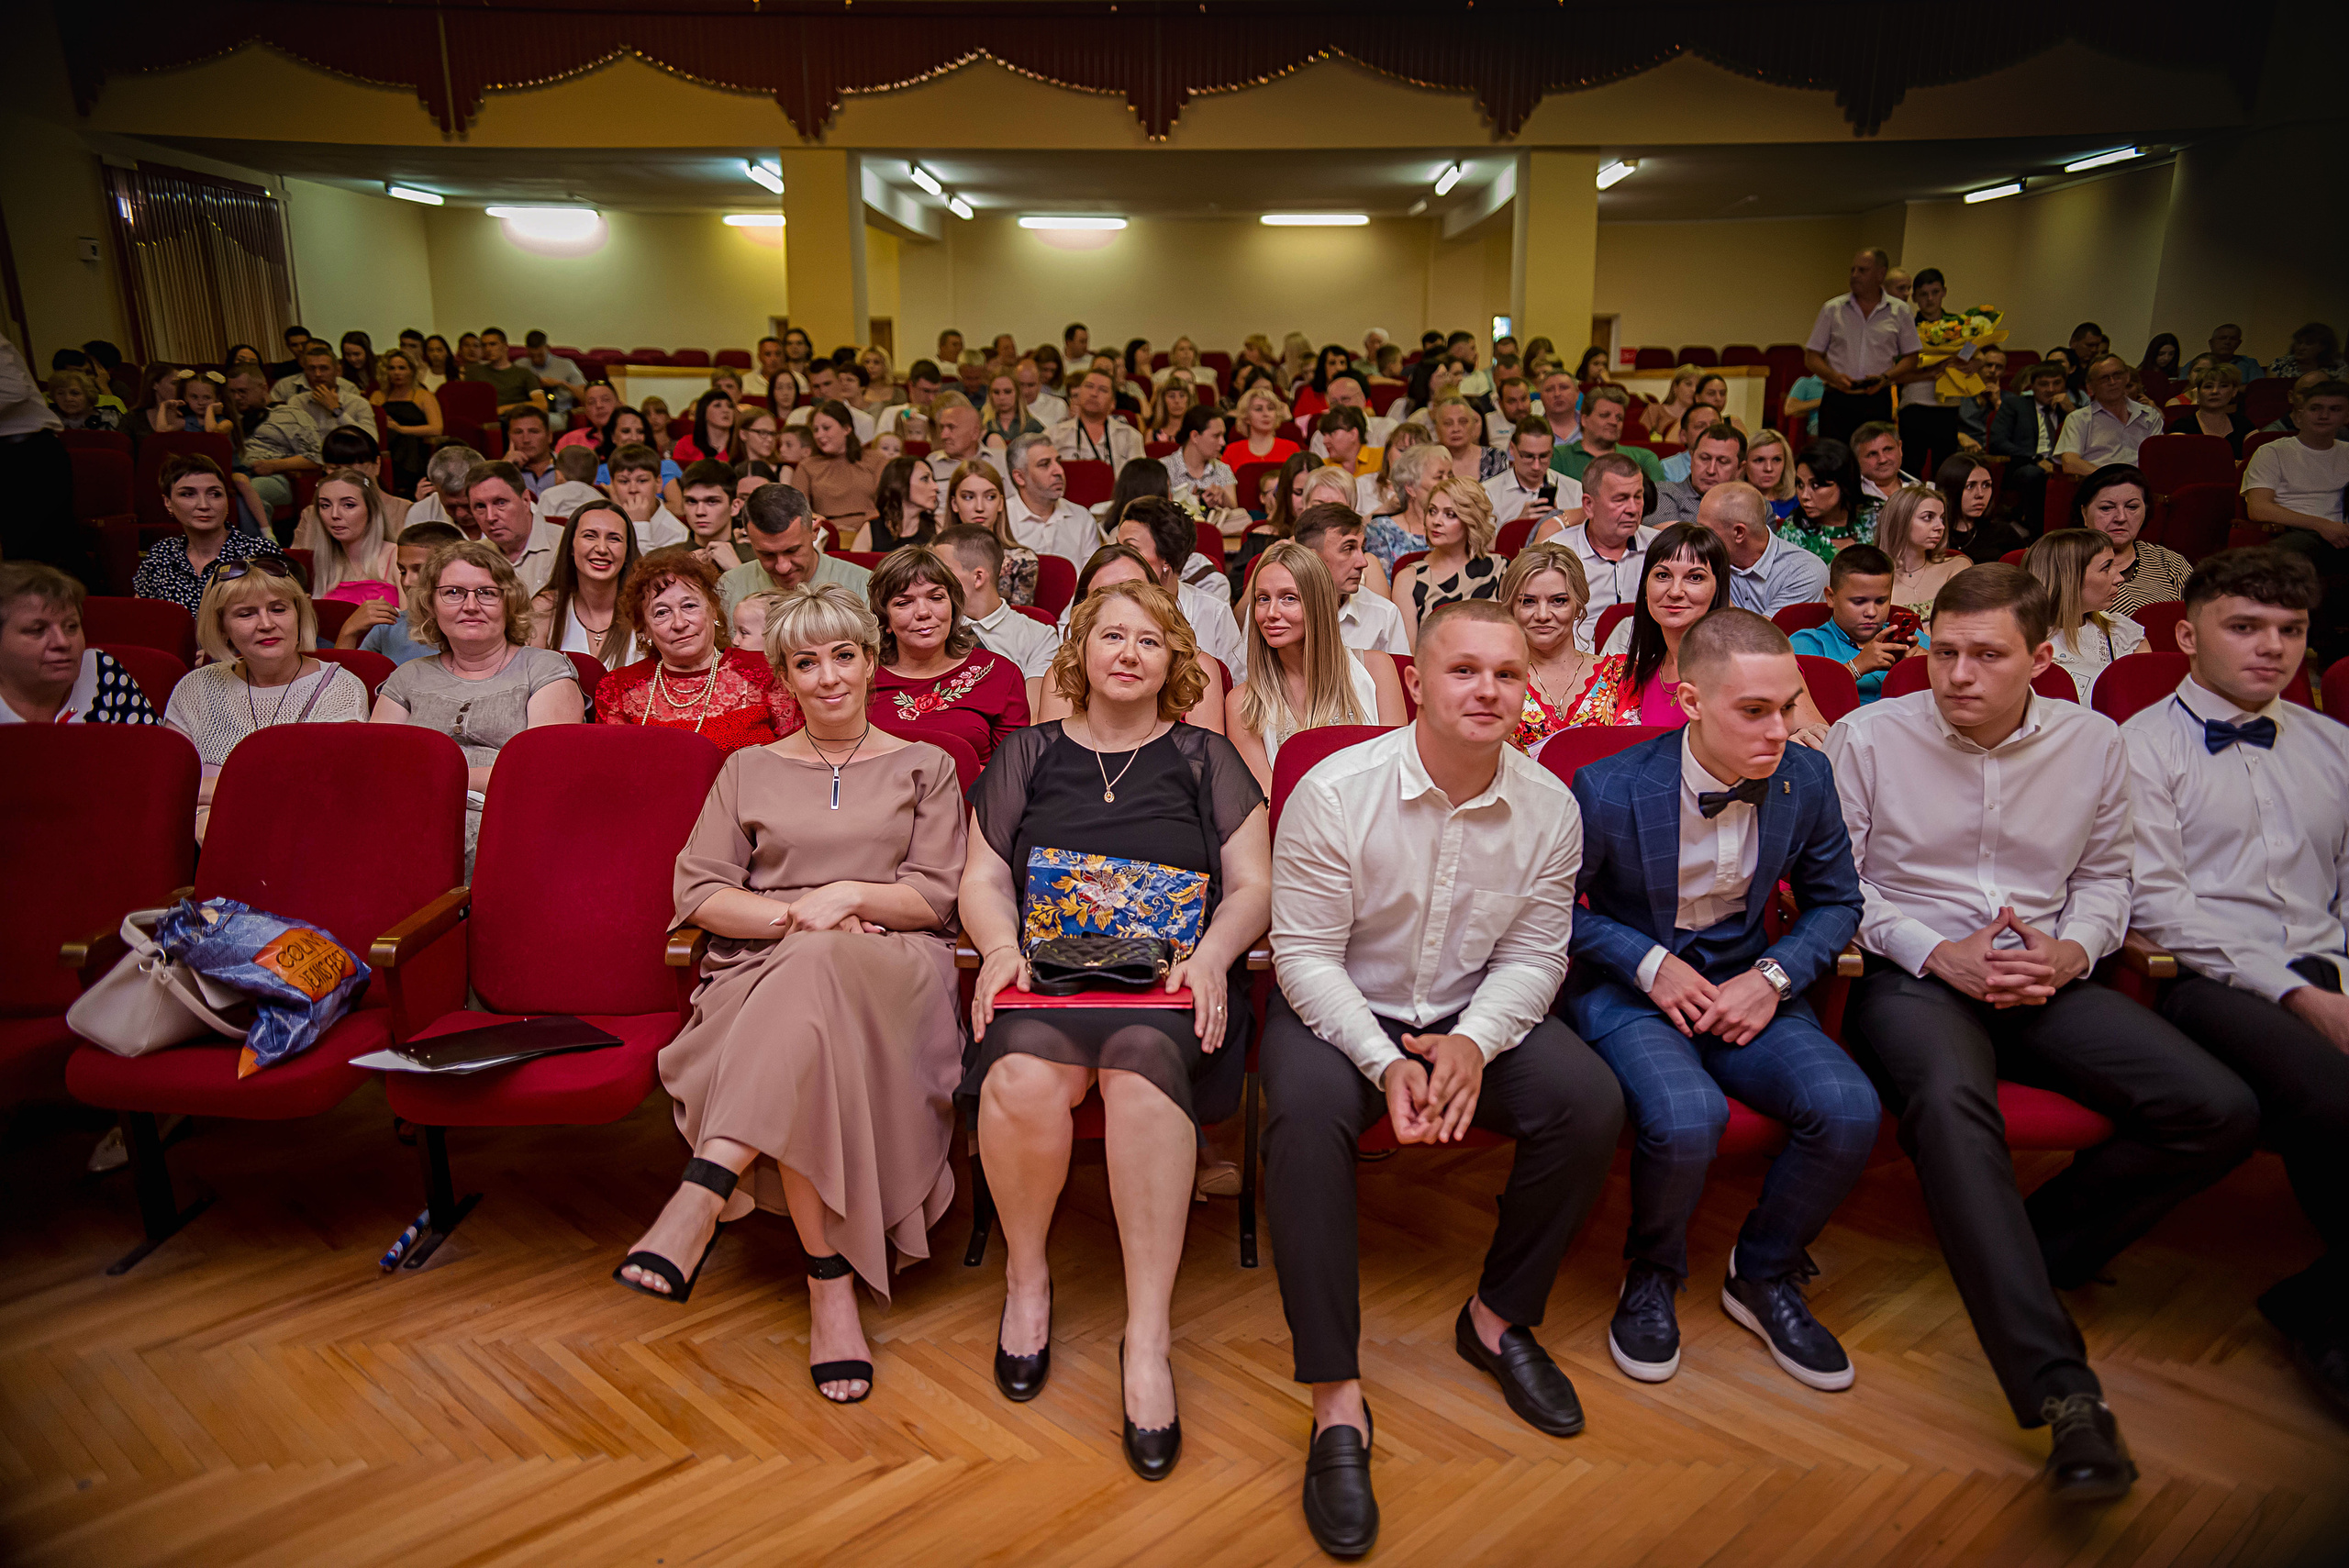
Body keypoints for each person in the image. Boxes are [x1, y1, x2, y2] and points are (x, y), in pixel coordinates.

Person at [1826, 562, 2259, 1502]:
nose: (1957, 674)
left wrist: (2067, 953)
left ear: (2041, 657)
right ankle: (2063, 1391)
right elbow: (1840, 887)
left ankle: (2032, 1244)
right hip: (1916, 975)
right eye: (1943, 651)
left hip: (2046, 974)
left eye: (1986, 654)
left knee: (2216, 1106)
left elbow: (2109, 876)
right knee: (1949, 1101)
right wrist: (1939, 952)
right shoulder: (1866, 735)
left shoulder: (2094, 743)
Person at [1264, 600, 1626, 1555]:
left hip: (1469, 1015)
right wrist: (1382, 1061)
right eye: (1463, 670)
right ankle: (1336, 1396)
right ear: (1416, 683)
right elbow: (1301, 954)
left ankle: (1497, 1317)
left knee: (1588, 1101)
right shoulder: (1338, 790)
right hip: (1343, 1007)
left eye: (1506, 674)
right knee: (1302, 1117)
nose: (1487, 690)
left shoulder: (1550, 804)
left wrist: (1472, 1041)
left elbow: (1537, 954)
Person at [618, 583, 963, 1406]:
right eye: (807, 662)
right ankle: (830, 1285)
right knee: (811, 991)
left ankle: (702, 1193)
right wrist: (795, 917)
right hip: (765, 965)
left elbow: (933, 896)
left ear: (873, 662)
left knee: (819, 975)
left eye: (844, 655)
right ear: (784, 678)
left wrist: (844, 896)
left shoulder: (928, 763)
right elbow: (700, 893)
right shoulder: (747, 768)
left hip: (895, 966)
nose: (829, 676)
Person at [960, 577, 1271, 1477]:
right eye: (1111, 635)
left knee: (1137, 1076)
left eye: (1148, 639)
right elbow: (981, 877)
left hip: (1169, 985)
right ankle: (1027, 1281)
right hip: (1047, 974)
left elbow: (1254, 883)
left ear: (1175, 660)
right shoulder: (1026, 753)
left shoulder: (1207, 756)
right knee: (1019, 1076)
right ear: (1081, 653)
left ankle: (1146, 1334)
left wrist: (1212, 955)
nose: (1128, 652)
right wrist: (994, 946)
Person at [1567, 608, 1876, 1390]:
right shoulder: (1606, 787)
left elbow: (1838, 902)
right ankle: (1652, 1270)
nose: (1781, 730)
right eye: (1755, 710)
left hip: (1750, 982)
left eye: (1791, 705)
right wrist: (1644, 961)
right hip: (1637, 992)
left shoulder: (1806, 776)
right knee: (1684, 1116)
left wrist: (1772, 978)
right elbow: (1550, 913)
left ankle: (1763, 1271)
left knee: (1848, 1108)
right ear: (1690, 700)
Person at [2119, 547, 2349, 1412]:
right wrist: (2301, 996)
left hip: (2331, 963)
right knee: (2335, 1097)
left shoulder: (2335, 746)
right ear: (2187, 634)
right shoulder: (2139, 747)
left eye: (2290, 631)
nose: (2271, 648)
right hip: (2210, 976)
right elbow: (2165, 908)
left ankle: (2320, 1299)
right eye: (2245, 627)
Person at [371, 539, 585, 860]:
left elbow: (541, 773)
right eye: (453, 592)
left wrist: (435, 777)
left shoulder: (544, 669)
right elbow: (377, 769)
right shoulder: (407, 677)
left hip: (511, 834)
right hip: (406, 828)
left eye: (486, 593)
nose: (470, 606)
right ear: (431, 603)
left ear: (508, 602)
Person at [164, 559, 371, 837]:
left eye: (278, 609)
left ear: (298, 614)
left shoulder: (341, 687)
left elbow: (320, 792)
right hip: (198, 856)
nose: (266, 624)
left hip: (306, 846)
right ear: (222, 626)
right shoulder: (196, 686)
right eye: (245, 614)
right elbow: (170, 788)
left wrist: (208, 790)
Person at [1224, 541, 1405, 787]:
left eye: (1289, 598)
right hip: (1290, 824)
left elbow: (1399, 775)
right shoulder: (1243, 703)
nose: (1271, 613)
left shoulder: (1377, 671)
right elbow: (1268, 801)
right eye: (1263, 599)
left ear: (1316, 605)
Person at [597, 547, 799, 751]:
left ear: (713, 610)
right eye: (662, 612)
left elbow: (799, 757)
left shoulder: (768, 674)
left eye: (689, 606)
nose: (679, 623)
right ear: (644, 629)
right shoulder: (618, 690)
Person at [864, 545, 1029, 763]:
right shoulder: (861, 677)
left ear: (953, 607)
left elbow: (1013, 775)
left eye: (936, 597)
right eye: (904, 603)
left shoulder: (1000, 674)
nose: (923, 612)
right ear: (885, 619)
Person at [2242, 378, 2349, 658]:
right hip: (2294, 532)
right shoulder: (2272, 452)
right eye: (2316, 408)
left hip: (2344, 534)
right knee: (2289, 560)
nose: (2324, 415)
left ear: (2346, 416)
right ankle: (2330, 654)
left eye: (2334, 409)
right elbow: (2259, 508)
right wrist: (2321, 524)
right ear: (2299, 414)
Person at [0, 562, 161, 726]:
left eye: (71, 626)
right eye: (38, 630)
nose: (62, 642)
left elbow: (156, 747)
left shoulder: (102, 673)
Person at [1114, 496, 1248, 684]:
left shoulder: (1213, 612)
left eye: (1131, 549)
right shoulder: (1106, 602)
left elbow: (1236, 684)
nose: (1116, 558)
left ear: (1166, 559)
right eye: (1117, 547)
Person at [133, 454, 285, 614]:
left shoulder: (261, 552)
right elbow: (140, 617)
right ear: (168, 502)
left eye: (215, 494)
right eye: (188, 494)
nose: (204, 505)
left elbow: (285, 617)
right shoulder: (161, 554)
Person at [1532, 452, 1654, 650]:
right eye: (1620, 499)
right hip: (1576, 667)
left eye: (1638, 497)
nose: (1633, 508)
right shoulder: (1555, 554)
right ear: (1589, 505)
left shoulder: (1659, 548)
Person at [1803, 248, 1920, 445]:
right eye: (1853, 270)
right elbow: (1811, 357)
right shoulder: (1832, 309)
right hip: (1837, 398)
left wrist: (1885, 378)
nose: (1855, 275)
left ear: (1880, 274)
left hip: (1876, 399)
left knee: (1874, 460)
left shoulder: (1900, 311)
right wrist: (1834, 377)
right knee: (1833, 461)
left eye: (1862, 270)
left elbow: (1911, 358)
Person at [936, 524, 1058, 711]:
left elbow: (1033, 715)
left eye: (941, 572)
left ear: (978, 577)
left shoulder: (1038, 636)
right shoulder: (931, 628)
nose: (931, 579)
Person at [242, 342, 375, 513]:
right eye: (311, 369)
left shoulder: (357, 402)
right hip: (309, 469)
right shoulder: (297, 402)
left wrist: (337, 411)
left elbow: (371, 442)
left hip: (349, 468)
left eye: (323, 368)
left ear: (337, 370)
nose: (317, 374)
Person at [1790, 543, 1927, 703]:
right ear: (1831, 597)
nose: (1871, 612)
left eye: (1881, 601)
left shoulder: (1911, 638)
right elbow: (1800, 705)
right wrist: (1856, 667)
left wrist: (1927, 665)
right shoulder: (1808, 643)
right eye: (1859, 602)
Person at [717, 482, 874, 618]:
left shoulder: (863, 586)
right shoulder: (729, 587)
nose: (783, 567)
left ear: (815, 531)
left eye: (792, 550)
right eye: (767, 554)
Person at [2023, 528, 2147, 701]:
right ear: (2068, 578)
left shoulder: (2123, 634)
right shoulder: (2019, 640)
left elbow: (2144, 706)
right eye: (2106, 568)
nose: (2119, 578)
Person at [1499, 542, 1599, 751]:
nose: (1542, 615)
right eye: (1528, 601)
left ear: (1578, 605)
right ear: (1511, 609)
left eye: (1558, 601)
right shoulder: (1495, 681)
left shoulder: (1620, 677)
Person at [529, 501, 643, 667]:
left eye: (614, 539)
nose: (602, 548)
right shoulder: (546, 608)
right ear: (571, 547)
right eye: (590, 536)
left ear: (627, 552)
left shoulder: (646, 609)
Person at [1391, 475, 1500, 646]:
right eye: (1432, 511)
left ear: (1470, 520)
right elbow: (1408, 653)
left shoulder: (1501, 568)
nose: (1436, 521)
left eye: (1450, 514)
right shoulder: (1409, 578)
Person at [1292, 503, 1411, 657]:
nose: (1363, 562)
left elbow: (1400, 678)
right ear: (1311, 558)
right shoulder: (1276, 612)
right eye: (1348, 549)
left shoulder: (1383, 614)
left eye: (1362, 548)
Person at [1697, 482, 1831, 617]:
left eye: (1705, 529)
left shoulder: (1805, 572)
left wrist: (1717, 593)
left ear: (1738, 532)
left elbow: (1765, 636)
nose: (1698, 536)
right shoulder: (1702, 558)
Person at [2069, 465, 2188, 617]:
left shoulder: (2169, 562)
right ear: (2084, 513)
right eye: (2107, 508)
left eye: (2132, 507)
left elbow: (2202, 619)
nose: (2121, 518)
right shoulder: (2065, 561)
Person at [346, 519, 462, 664]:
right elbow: (347, 680)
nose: (406, 582)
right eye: (402, 571)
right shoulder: (389, 625)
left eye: (419, 570)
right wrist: (349, 632)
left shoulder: (469, 623)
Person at [1890, 267, 1962, 475]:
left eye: (1935, 292)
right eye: (1923, 294)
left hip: (1948, 407)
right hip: (1914, 406)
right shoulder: (1906, 327)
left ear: (1944, 292)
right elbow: (1894, 373)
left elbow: (1974, 353)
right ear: (1914, 297)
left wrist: (1972, 361)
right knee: (1910, 467)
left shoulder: (1959, 326)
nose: (1930, 299)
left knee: (1945, 469)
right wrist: (1929, 373)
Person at [943, 459, 1039, 606]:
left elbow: (1019, 620)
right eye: (968, 497)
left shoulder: (1022, 560)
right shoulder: (935, 557)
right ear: (954, 504)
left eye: (990, 497)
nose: (979, 507)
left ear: (1000, 503)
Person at [1004, 432, 1100, 572]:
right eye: (1044, 464)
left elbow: (1092, 580)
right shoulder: (1002, 519)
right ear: (1019, 477)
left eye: (1058, 462)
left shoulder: (1082, 518)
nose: (1059, 471)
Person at [2054, 356, 2164, 479]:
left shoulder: (2149, 415)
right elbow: (2070, 463)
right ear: (2090, 386)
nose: (2112, 382)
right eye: (2104, 378)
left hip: (2142, 484)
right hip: (2099, 484)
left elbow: (2158, 458)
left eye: (2117, 375)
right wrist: (2113, 479)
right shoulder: (2079, 419)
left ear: (2127, 377)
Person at [307, 471, 402, 607]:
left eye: (348, 505)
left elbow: (410, 623)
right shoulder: (323, 562)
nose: (334, 515)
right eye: (325, 506)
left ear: (371, 510)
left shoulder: (396, 556)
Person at [1876, 484, 1968, 615]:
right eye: (1928, 517)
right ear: (1901, 520)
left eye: (1942, 518)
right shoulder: (1872, 578)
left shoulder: (1956, 567)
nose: (1940, 526)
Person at [1553, 384, 1665, 488]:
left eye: (1619, 418)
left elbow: (1661, 504)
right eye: (1604, 415)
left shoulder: (1644, 458)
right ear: (1584, 420)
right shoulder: (1558, 456)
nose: (1613, 422)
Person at [1362, 442, 1448, 576]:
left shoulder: (1455, 527)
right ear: (1410, 487)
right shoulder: (1382, 530)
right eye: (1439, 477)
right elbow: (1379, 588)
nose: (1448, 483)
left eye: (1450, 475)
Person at [1932, 452, 2030, 564]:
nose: (1980, 494)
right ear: (1951, 489)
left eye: (1986, 485)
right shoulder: (1934, 534)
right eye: (1970, 486)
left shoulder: (2003, 533)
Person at [372, 349, 441, 497]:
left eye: (402, 368)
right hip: (384, 445)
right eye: (392, 368)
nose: (397, 373)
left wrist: (401, 429)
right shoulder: (378, 396)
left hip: (415, 448)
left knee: (406, 442)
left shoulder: (423, 396)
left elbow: (437, 428)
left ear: (411, 371)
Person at [1482, 417, 1575, 529]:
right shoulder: (1487, 493)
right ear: (1512, 448)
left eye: (1544, 456)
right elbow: (1483, 544)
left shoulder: (1574, 490)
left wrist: (1561, 522)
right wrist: (1517, 525)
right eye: (1528, 456)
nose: (1536, 466)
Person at [1783, 439, 1865, 565]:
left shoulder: (1875, 515)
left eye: (1815, 485)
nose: (1804, 495)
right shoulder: (1792, 533)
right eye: (1800, 484)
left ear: (1844, 484)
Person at [1048, 369, 1144, 471]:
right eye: (1089, 386)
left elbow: (1138, 481)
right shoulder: (1053, 435)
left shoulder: (1131, 437)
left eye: (1103, 390)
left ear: (1113, 403)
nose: (1094, 393)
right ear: (1079, 394)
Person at [1653, 423, 1745, 526]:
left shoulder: (1752, 503)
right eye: (1704, 458)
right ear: (1692, 457)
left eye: (1722, 461)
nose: (1711, 470)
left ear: (1740, 468)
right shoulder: (1663, 493)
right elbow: (1673, 539)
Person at [674, 458, 751, 574]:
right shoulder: (662, 561)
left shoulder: (758, 559)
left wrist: (737, 571)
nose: (700, 511)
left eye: (712, 501)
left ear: (734, 507)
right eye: (691, 501)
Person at [2165, 361, 2254, 456]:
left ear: (2234, 391)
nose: (2215, 391)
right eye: (2208, 386)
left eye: (2223, 386)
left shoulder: (2244, 425)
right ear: (2198, 392)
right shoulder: (2182, 426)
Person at [461, 328, 546, 420]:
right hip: (484, 420)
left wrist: (504, 409)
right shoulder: (474, 372)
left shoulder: (524, 373)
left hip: (515, 419)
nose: (488, 349)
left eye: (493, 344)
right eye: (484, 345)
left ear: (505, 346)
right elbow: (466, 403)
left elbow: (541, 404)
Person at [1162, 406, 1237, 510]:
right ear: (1195, 436)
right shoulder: (1164, 468)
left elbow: (1235, 513)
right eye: (1216, 436)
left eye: (1223, 436)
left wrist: (1224, 498)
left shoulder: (1223, 469)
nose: (1223, 442)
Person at [1225, 384, 1301, 471]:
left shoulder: (1291, 448)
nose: (1266, 414)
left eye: (1270, 408)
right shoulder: (1232, 452)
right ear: (1246, 417)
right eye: (1258, 409)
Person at [1743, 428, 1799, 521]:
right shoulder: (1732, 503)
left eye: (1776, 459)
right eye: (1759, 460)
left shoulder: (1797, 504)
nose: (1768, 468)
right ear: (1744, 464)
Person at [2268, 323, 2346, 384]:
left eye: (2308, 343)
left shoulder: (2337, 368)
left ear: (2323, 347)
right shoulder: (2279, 365)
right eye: (2299, 342)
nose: (2301, 348)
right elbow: (2266, 394)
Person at [982, 370, 1042, 445]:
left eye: (1007, 392)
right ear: (990, 395)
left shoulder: (1033, 427)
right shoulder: (981, 425)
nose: (1001, 397)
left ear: (1017, 393)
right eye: (996, 392)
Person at [1642, 366, 1702, 440]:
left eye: (1698, 386)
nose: (1694, 390)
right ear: (1675, 387)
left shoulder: (1702, 416)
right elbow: (1639, 439)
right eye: (1688, 384)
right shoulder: (1655, 410)